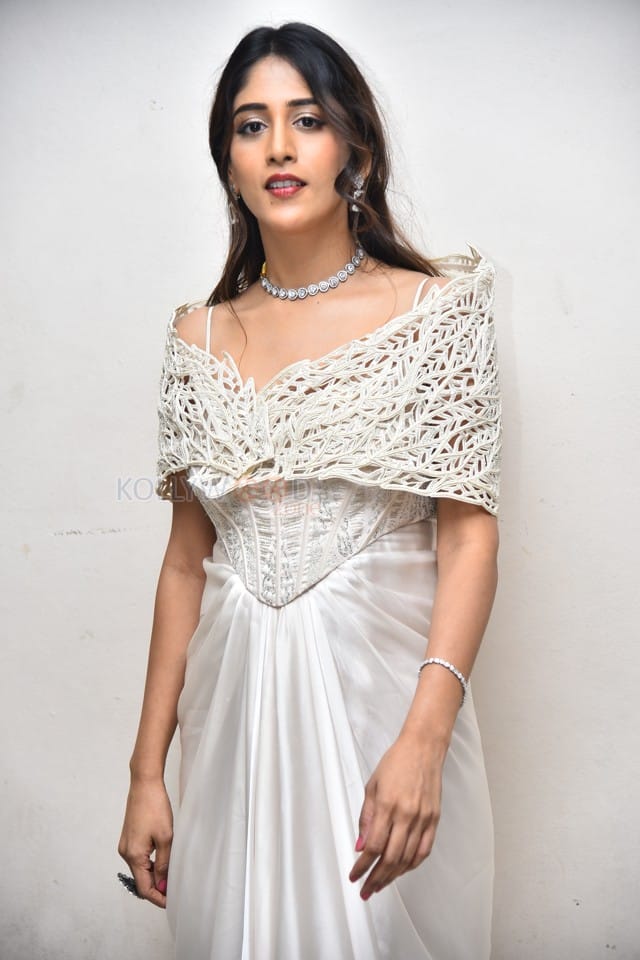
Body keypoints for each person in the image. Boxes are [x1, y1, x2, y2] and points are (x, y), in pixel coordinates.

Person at [118, 21, 501, 960]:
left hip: (380, 711)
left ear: (353, 147)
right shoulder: (197, 340)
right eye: (251, 126)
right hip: (234, 725)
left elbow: (468, 536)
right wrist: (145, 772)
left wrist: (424, 739)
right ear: (229, 163)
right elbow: (184, 563)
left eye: (308, 119)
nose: (280, 147)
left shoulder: (434, 313)